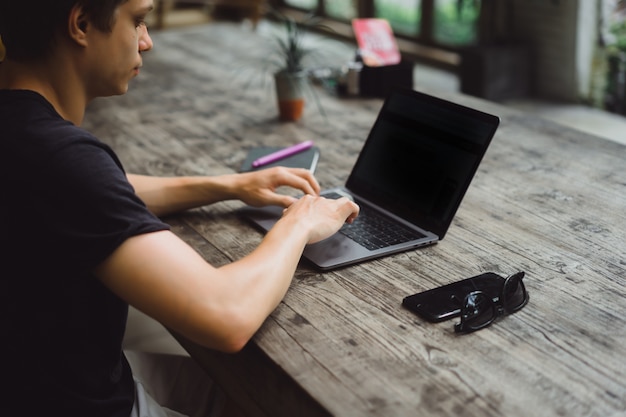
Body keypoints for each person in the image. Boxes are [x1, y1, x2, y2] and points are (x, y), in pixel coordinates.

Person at [0, 1, 359, 416]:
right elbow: (227, 316)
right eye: (136, 21)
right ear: (80, 24)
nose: (147, 41)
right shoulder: (59, 158)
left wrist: (228, 185)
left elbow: (97, 193)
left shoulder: (23, 132)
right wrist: (299, 223)